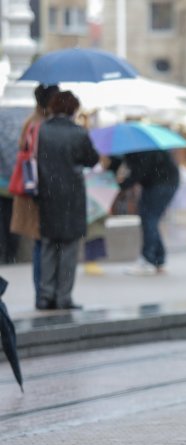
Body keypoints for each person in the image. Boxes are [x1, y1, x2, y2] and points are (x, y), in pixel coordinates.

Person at [35, 91, 99, 310]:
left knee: (48, 246)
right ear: (73, 109)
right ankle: (64, 297)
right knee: (69, 248)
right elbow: (92, 159)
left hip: (47, 194)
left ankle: (45, 295)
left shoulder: (42, 130)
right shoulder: (79, 133)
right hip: (72, 195)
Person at [9, 85, 60, 302]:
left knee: (42, 242)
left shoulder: (31, 121)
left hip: (33, 189)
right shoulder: (40, 124)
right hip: (40, 190)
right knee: (43, 242)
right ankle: (44, 292)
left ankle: (44, 291)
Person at [117, 148, 180, 275]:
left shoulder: (141, 148)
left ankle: (148, 260)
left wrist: (122, 185)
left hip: (160, 184)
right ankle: (158, 259)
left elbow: (140, 171)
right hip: (163, 182)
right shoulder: (142, 146)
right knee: (150, 220)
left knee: (149, 219)